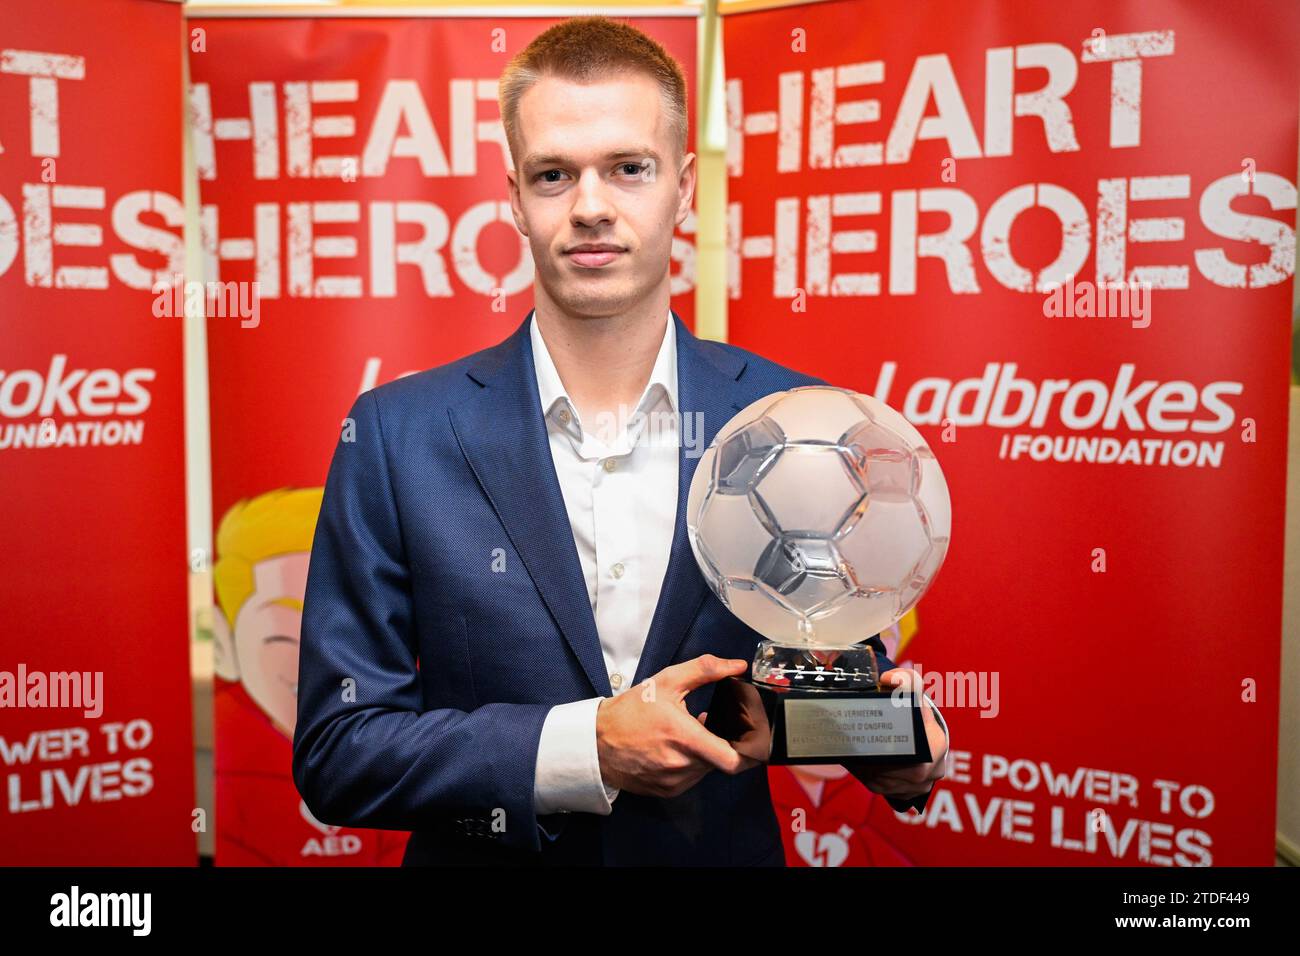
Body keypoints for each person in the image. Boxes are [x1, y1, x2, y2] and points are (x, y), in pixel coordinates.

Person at [293, 15, 948, 866]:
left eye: (628, 169)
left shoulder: (793, 420)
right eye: (554, 174)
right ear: (515, 199)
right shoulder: (395, 433)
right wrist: (585, 746)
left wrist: (898, 748)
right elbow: (339, 751)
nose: (591, 206)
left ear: (684, 187)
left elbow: (827, 685)